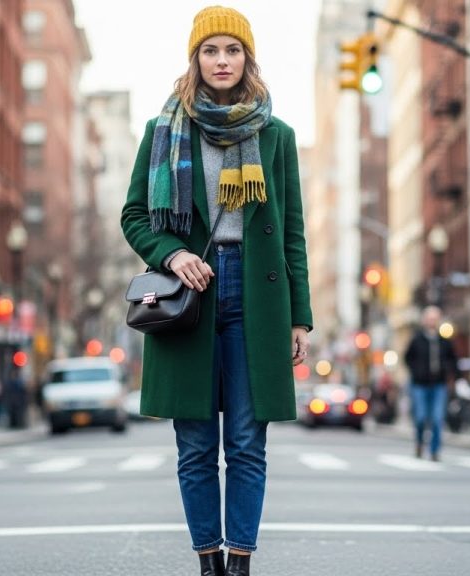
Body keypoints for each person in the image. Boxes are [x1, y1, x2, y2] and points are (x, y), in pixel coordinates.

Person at [120, 7, 312, 575]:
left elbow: (292, 232)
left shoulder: (276, 136)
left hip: (258, 296)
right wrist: (173, 254)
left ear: (247, 59)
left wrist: (299, 317)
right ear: (195, 58)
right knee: (197, 445)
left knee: (248, 444)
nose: (222, 61)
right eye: (211, 50)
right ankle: (208, 560)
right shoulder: (164, 129)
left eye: (232, 50)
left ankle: (240, 561)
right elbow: (134, 215)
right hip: (190, 296)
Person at [403, 306, 459, 462]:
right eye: (429, 319)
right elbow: (407, 358)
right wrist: (416, 372)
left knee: (437, 418)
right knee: (420, 417)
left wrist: (451, 375)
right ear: (424, 320)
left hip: (438, 385)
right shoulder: (417, 339)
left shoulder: (444, 341)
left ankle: (434, 450)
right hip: (420, 384)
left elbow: (453, 360)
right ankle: (420, 443)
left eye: (435, 319)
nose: (432, 322)